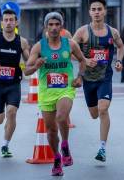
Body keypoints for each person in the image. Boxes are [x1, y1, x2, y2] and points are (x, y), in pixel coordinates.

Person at [25, 12, 89, 176]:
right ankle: (56, 157)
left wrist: (79, 78)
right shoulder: (39, 46)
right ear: (46, 27)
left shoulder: (70, 44)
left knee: (61, 117)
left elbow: (83, 61)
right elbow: (27, 70)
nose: (54, 28)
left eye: (57, 24)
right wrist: (36, 66)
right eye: (50, 25)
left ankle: (65, 145)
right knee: (51, 130)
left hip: (65, 89)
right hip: (46, 92)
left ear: (61, 26)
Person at [73, 0, 124, 162]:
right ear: (89, 12)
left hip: (105, 77)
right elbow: (68, 50)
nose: (96, 12)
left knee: (103, 109)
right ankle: (101, 140)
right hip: (88, 79)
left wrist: (119, 61)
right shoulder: (82, 32)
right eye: (93, 9)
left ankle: (102, 148)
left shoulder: (113, 32)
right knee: (94, 114)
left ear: (105, 11)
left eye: (99, 9)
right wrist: (85, 60)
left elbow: (121, 46)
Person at [0, 8, 31, 158]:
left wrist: (38, 61)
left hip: (13, 84)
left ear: (16, 23)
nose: (9, 23)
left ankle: (5, 144)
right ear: (2, 23)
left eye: (11, 20)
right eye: (6, 20)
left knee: (11, 112)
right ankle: (5, 128)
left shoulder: (22, 42)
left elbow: (30, 60)